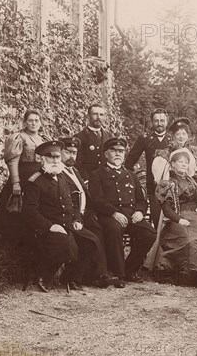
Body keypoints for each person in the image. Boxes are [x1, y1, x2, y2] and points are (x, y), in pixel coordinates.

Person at [88, 137, 156, 286]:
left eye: (121, 151)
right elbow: (97, 200)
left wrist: (139, 211)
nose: (118, 154)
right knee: (114, 229)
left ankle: (129, 269)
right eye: (113, 151)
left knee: (149, 234)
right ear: (106, 154)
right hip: (108, 215)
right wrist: (113, 212)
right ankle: (118, 274)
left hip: (131, 215)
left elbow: (141, 200)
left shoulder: (131, 175)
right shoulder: (97, 174)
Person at [22, 141, 85, 292]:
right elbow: (29, 211)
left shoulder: (62, 178)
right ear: (42, 159)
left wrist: (77, 219)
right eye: (51, 158)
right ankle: (44, 276)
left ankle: (69, 277)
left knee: (91, 240)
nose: (55, 161)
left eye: (57, 157)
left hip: (67, 223)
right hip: (44, 227)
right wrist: (50, 226)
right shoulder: (35, 181)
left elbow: (72, 203)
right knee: (66, 244)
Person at [59, 137, 122, 288]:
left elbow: (85, 194)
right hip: (69, 217)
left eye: (74, 153)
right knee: (90, 239)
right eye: (67, 152)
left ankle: (98, 274)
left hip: (84, 214)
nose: (71, 156)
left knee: (99, 231)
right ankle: (73, 277)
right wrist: (77, 218)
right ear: (60, 153)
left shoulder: (74, 171)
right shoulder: (59, 172)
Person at [152, 148, 197, 284]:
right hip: (179, 218)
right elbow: (166, 209)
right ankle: (188, 272)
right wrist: (179, 219)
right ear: (172, 164)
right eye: (180, 162)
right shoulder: (167, 184)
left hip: (196, 217)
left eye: (186, 162)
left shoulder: (193, 181)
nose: (184, 165)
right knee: (190, 240)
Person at [0, 109, 47, 243]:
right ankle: (12, 245)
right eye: (30, 120)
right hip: (22, 176)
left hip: (37, 178)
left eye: (36, 120)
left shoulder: (42, 139)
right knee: (17, 210)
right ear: (24, 122)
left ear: (40, 122)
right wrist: (16, 182)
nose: (33, 123)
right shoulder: (18, 137)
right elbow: (13, 161)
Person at [125, 108, 172, 226]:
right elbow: (129, 161)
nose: (159, 123)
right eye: (156, 120)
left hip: (172, 186)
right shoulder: (145, 139)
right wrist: (133, 180)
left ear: (167, 121)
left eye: (162, 120)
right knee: (157, 220)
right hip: (153, 186)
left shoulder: (173, 139)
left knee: (172, 220)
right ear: (152, 122)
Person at [152, 117, 197, 184]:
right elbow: (160, 178)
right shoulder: (165, 154)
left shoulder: (195, 152)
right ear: (173, 136)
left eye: (184, 134)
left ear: (187, 136)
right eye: (178, 134)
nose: (181, 137)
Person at [74, 104, 114, 180]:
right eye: (95, 114)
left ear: (104, 117)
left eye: (101, 115)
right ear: (88, 116)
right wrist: (86, 179)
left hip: (106, 179)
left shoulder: (109, 137)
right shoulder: (79, 137)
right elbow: (77, 163)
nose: (98, 117)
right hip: (88, 180)